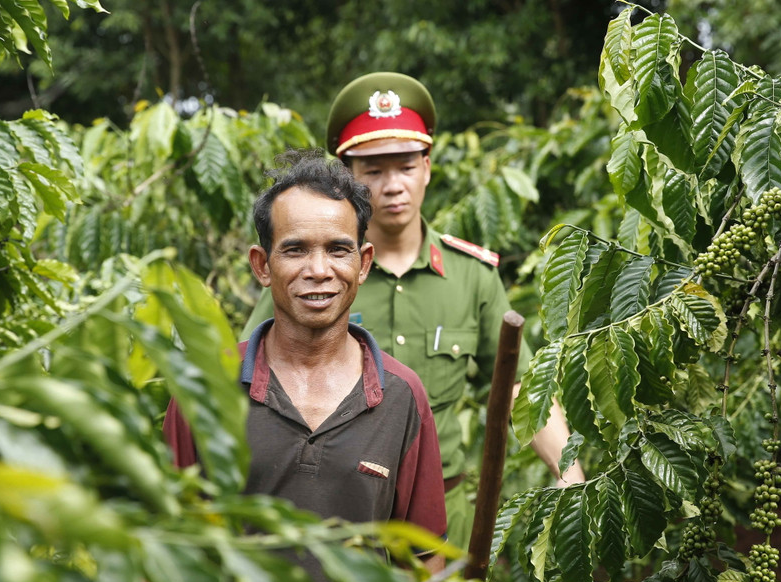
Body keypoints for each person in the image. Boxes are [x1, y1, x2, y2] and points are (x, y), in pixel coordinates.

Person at [242, 73, 584, 550]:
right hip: (337, 508)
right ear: (347, 179)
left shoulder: (471, 275)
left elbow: (519, 386)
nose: (392, 187)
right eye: (373, 171)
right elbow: (253, 375)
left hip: (443, 514)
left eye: (405, 167)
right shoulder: (314, 277)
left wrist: (569, 474)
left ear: (426, 167)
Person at [146, 150, 447, 582]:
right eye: (295, 250)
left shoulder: (401, 396)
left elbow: (424, 561)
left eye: (338, 249)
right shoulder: (205, 386)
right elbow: (165, 553)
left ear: (363, 262)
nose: (319, 270)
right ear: (262, 265)